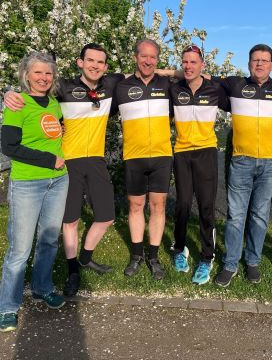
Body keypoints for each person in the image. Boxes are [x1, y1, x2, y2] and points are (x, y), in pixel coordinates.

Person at [3, 43, 124, 297]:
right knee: (70, 221)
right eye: (90, 60)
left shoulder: (111, 85)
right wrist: (9, 93)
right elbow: (35, 94)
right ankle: (73, 270)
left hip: (97, 160)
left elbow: (145, 72)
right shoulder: (63, 88)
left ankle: (85, 258)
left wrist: (177, 73)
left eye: (100, 62)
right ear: (80, 62)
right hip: (68, 162)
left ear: (106, 67)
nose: (94, 65)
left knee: (106, 217)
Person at [0, 52, 68, 333]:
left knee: (49, 241)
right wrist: (49, 160)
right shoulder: (17, 103)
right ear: (26, 75)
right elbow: (9, 147)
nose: (43, 78)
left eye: (48, 73)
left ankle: (42, 287)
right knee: (20, 249)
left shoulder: (54, 104)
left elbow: (56, 132)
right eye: (38, 72)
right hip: (28, 183)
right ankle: (8, 306)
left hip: (58, 181)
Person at [214, 44, 272, 287]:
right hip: (241, 160)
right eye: (255, 60)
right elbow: (199, 77)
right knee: (236, 216)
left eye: (264, 60)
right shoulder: (235, 84)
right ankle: (230, 264)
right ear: (249, 63)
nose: (260, 64)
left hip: (270, 163)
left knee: (259, 215)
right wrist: (165, 73)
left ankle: (252, 261)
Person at [169, 44, 229, 285]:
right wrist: (168, 72)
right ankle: (180, 248)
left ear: (202, 65)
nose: (188, 66)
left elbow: (237, 97)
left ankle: (207, 257)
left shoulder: (215, 89)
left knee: (206, 206)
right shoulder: (175, 89)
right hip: (182, 152)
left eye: (193, 62)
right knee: (182, 204)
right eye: (185, 62)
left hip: (206, 152)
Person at [115, 39, 172, 280]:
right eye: (143, 56)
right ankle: (137, 255)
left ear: (158, 60)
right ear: (135, 57)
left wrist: (166, 72)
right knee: (136, 206)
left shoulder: (167, 84)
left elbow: (193, 75)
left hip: (161, 155)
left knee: (158, 206)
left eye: (153, 57)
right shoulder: (121, 86)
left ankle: (154, 256)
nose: (148, 61)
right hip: (134, 156)